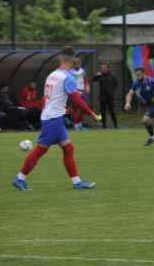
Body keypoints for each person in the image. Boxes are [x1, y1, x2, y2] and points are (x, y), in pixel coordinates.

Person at [12, 46, 100, 191]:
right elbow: (77, 101)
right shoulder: (68, 78)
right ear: (73, 61)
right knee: (40, 150)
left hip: (52, 115)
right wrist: (92, 114)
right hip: (53, 118)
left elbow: (49, 97)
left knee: (68, 149)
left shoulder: (51, 75)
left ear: (60, 58)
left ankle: (76, 182)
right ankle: (20, 178)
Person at [125, 67, 154, 146]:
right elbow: (130, 93)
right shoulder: (136, 83)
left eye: (138, 75)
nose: (137, 77)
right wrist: (127, 103)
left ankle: (152, 138)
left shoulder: (151, 81)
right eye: (136, 75)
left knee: (145, 119)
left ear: (143, 73)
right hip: (151, 106)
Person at [92, 62, 119, 129]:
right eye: (102, 67)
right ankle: (103, 125)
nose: (103, 69)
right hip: (102, 96)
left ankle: (115, 124)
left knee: (112, 111)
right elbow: (93, 79)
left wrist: (112, 91)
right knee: (102, 112)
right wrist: (96, 75)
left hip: (110, 96)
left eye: (105, 67)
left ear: (108, 68)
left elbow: (116, 84)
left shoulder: (112, 76)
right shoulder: (100, 75)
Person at [69, 57, 90, 131]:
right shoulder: (71, 72)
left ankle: (80, 124)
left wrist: (87, 86)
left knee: (83, 108)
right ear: (73, 65)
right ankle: (76, 124)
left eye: (78, 64)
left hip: (82, 92)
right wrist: (76, 91)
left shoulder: (82, 71)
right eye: (75, 64)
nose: (77, 65)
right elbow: (71, 83)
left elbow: (85, 80)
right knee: (75, 108)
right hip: (75, 92)